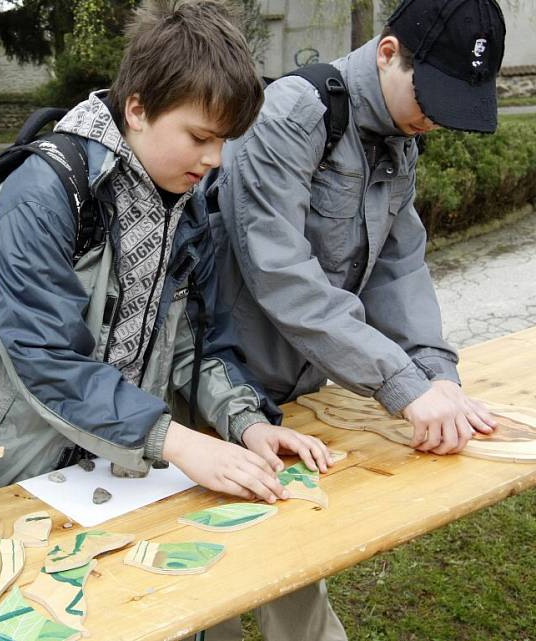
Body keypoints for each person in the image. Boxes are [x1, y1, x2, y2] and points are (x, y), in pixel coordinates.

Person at [0, 0, 332, 512]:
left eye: (225, 141)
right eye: (200, 137)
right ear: (137, 109)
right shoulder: (44, 195)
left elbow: (193, 341)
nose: (215, 159)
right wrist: (175, 440)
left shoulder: (186, 202)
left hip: (110, 477)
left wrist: (244, 421)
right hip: (7, 473)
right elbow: (43, 357)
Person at [208, 0, 507, 639]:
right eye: (432, 96)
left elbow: (401, 266)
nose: (433, 120)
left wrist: (435, 373)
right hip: (218, 383)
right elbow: (281, 277)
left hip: (300, 392)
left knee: (295, 553)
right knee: (212, 581)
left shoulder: (401, 139)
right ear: (387, 51)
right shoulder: (292, 114)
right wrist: (401, 385)